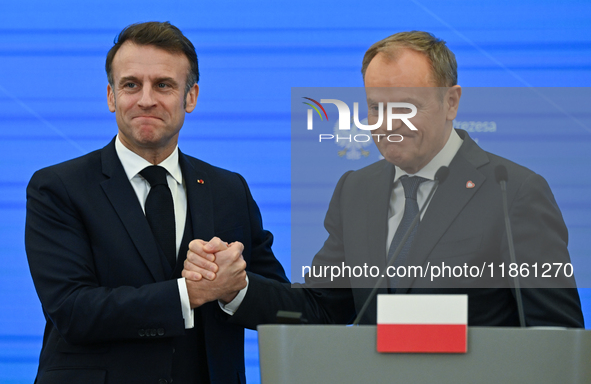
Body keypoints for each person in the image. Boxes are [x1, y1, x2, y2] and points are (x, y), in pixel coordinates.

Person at [184, 31, 584, 328]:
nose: (390, 123)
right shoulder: (356, 190)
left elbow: (556, 334)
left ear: (452, 102)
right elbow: (320, 308)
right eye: (376, 107)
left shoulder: (513, 190)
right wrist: (235, 287)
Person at [25, 21, 288, 384]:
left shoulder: (229, 189)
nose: (146, 99)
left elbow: (286, 308)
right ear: (111, 96)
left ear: (191, 97)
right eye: (131, 84)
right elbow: (72, 310)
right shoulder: (57, 187)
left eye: (163, 85)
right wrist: (190, 293)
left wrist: (234, 287)